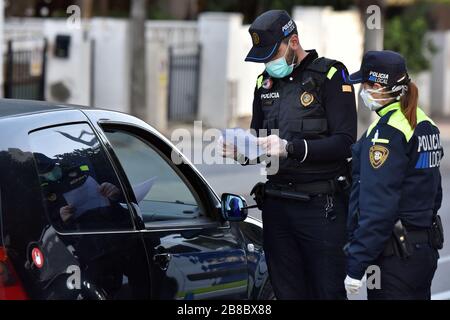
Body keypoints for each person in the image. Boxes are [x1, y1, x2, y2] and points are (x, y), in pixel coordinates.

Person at [219, 10, 357, 299]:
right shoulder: (264, 84)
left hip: (321, 207)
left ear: (293, 41)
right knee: (285, 291)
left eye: (272, 54)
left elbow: (345, 142)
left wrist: (292, 148)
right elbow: (257, 139)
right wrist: (242, 153)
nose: (269, 63)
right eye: (263, 57)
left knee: (327, 291)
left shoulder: (330, 75)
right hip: (277, 206)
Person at [343, 50, 444, 300]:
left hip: (395, 258)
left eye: (365, 85)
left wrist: (356, 265)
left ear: (377, 86)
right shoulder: (424, 123)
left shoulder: (387, 132)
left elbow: (378, 207)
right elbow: (435, 192)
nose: (362, 92)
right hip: (422, 250)